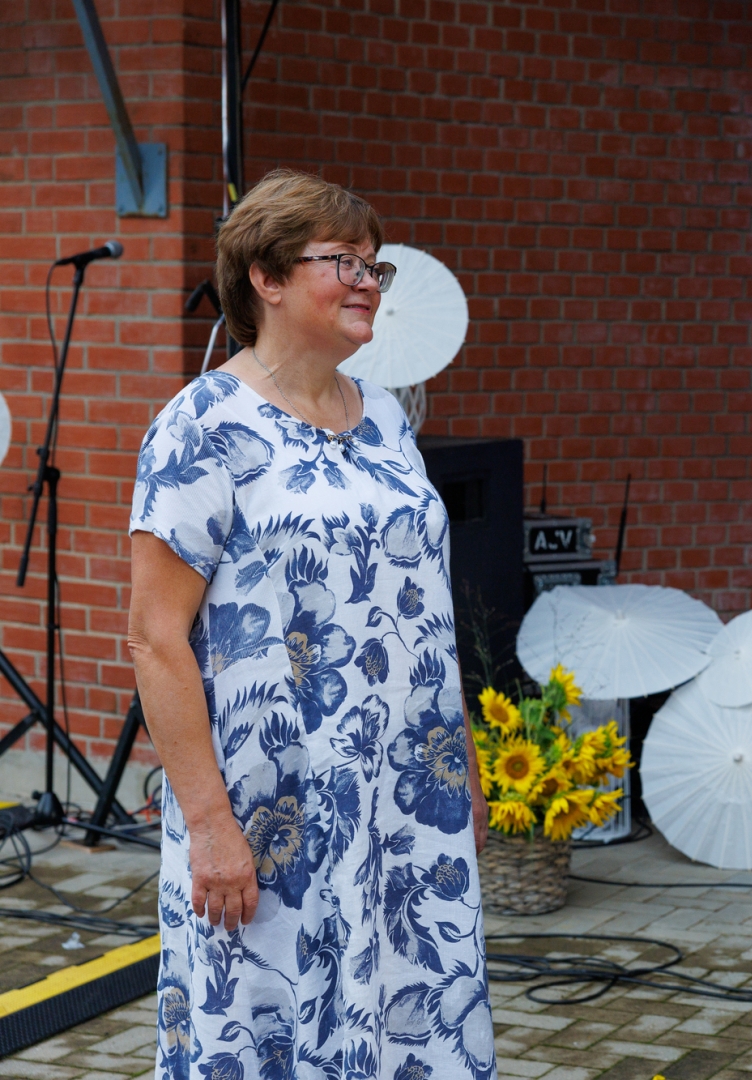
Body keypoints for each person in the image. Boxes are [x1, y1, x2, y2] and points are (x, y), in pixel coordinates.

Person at [126, 169, 493, 1080]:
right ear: (267, 277)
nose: (370, 281)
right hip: (271, 809)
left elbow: (421, 608)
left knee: (413, 1013)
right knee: (271, 1030)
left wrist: (463, 763)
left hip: (403, 795)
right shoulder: (202, 426)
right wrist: (208, 823)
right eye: (346, 262)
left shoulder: (387, 420)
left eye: (376, 266)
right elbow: (155, 639)